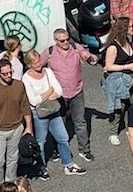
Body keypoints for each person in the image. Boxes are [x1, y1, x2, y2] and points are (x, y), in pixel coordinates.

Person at [23, 50, 87, 179]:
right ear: (29, 64)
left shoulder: (48, 72)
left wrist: (47, 95)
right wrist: (49, 92)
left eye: (39, 61)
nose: (38, 65)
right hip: (39, 113)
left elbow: (58, 90)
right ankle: (41, 168)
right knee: (41, 141)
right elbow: (33, 101)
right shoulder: (26, 78)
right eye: (35, 63)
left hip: (53, 110)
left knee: (63, 138)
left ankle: (68, 164)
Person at [40, 28, 99, 163]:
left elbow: (93, 59)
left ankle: (85, 150)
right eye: (62, 41)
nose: (66, 42)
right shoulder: (49, 53)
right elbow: (37, 66)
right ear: (56, 41)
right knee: (58, 123)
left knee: (80, 122)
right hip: (59, 95)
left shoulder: (75, 48)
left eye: (67, 39)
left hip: (76, 91)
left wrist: (89, 57)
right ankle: (56, 150)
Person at [0, 60, 32, 192]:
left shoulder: (19, 86)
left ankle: (10, 188)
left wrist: (29, 127)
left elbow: (25, 106)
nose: (9, 75)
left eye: (10, 72)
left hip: (16, 128)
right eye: (5, 74)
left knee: (13, 160)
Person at [102, 16, 133, 145]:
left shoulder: (127, 41)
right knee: (118, 107)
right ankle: (113, 133)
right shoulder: (113, 47)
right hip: (116, 81)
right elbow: (109, 66)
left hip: (129, 79)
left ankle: (128, 128)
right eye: (130, 26)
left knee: (130, 105)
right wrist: (129, 66)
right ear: (123, 29)